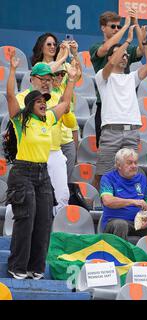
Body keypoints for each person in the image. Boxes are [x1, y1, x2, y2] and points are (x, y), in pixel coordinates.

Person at [5, 50, 76, 280]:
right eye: (38, 102)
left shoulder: (48, 119)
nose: (44, 104)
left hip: (42, 173)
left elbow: (65, 103)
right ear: (29, 106)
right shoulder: (21, 120)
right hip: (22, 172)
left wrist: (72, 81)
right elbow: (9, 97)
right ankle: (17, 266)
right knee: (26, 218)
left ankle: (36, 267)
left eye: (44, 101)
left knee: (44, 219)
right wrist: (13, 70)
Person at [92, 22, 147, 190]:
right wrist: (127, 41)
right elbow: (111, 63)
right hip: (110, 131)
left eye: (127, 55)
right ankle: (98, 207)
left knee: (129, 174)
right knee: (103, 174)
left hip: (131, 132)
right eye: (121, 54)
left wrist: (145, 42)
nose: (125, 56)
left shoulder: (132, 77)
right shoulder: (102, 77)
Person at [15, 62, 79, 215]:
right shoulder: (22, 97)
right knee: (27, 200)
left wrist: (66, 110)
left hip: (55, 152)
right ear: (32, 79)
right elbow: (26, 118)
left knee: (62, 197)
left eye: (49, 79)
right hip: (31, 156)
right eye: (41, 79)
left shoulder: (56, 96)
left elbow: (71, 123)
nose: (45, 83)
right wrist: (55, 109)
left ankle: (54, 235)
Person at [90, 9, 146, 148]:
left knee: (126, 157)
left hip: (124, 108)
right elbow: (106, 48)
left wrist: (136, 24)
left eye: (118, 26)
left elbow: (141, 50)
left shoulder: (125, 50)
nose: (116, 29)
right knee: (105, 153)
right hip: (105, 106)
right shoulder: (96, 47)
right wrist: (126, 28)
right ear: (103, 28)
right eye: (113, 26)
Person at [30, 33, 81, 182]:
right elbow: (48, 70)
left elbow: (78, 75)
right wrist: (62, 58)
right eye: (49, 44)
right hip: (47, 132)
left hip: (68, 127)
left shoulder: (65, 65)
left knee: (64, 181)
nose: (53, 47)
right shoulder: (39, 67)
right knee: (45, 182)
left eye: (54, 44)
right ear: (41, 47)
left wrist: (74, 55)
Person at [99, 148, 147, 242]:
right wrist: (132, 202)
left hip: (137, 224)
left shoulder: (141, 178)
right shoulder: (108, 178)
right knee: (120, 224)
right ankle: (120, 256)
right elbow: (107, 201)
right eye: (129, 163)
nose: (134, 166)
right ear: (119, 165)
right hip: (114, 223)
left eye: (135, 163)